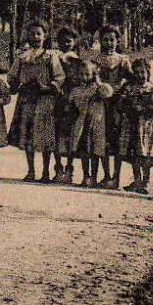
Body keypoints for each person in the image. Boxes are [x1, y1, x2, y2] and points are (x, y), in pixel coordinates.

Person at [8, 22, 62, 182]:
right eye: (32, 34)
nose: (36, 37)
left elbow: (60, 77)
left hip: (45, 99)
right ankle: (31, 170)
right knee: (28, 132)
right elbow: (12, 76)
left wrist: (48, 87)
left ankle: (45, 171)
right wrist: (16, 84)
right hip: (27, 100)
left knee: (45, 135)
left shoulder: (51, 56)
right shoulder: (22, 56)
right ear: (27, 36)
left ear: (45, 36)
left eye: (39, 34)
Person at [62, 47, 108, 187]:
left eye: (87, 74)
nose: (84, 77)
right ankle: (86, 175)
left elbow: (107, 93)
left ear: (94, 74)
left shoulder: (98, 88)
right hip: (81, 124)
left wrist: (98, 82)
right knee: (84, 151)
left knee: (95, 151)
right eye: (81, 74)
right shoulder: (76, 90)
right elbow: (69, 105)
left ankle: (93, 176)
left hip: (96, 123)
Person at [94, 26, 130, 189]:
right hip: (101, 104)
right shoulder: (96, 60)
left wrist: (119, 87)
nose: (109, 43)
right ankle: (106, 175)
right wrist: (100, 86)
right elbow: (93, 78)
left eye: (112, 40)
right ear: (100, 41)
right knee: (102, 139)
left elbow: (129, 78)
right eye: (105, 40)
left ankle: (116, 177)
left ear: (117, 41)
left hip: (117, 105)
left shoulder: (122, 59)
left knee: (117, 140)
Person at [124, 59, 153, 194]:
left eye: (143, 72)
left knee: (146, 154)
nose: (140, 75)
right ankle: (137, 180)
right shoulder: (129, 88)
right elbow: (122, 104)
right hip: (133, 126)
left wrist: (143, 108)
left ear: (148, 73)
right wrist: (130, 107)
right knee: (134, 153)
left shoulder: (149, 88)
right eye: (136, 73)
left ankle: (146, 181)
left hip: (146, 126)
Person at [51, 26, 83, 184]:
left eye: (69, 41)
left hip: (71, 99)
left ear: (74, 42)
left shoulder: (76, 60)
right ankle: (58, 167)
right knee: (56, 134)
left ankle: (69, 168)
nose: (65, 44)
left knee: (70, 134)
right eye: (62, 41)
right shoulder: (54, 57)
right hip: (56, 98)